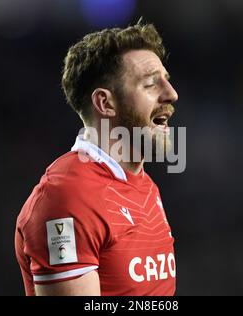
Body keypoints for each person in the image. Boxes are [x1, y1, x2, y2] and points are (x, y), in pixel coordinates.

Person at [14, 20, 179, 296]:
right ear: (105, 103)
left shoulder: (144, 186)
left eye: (167, 81)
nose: (171, 94)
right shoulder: (67, 197)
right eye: (151, 84)